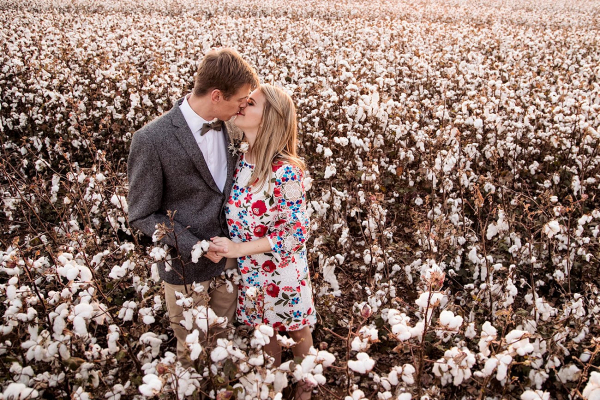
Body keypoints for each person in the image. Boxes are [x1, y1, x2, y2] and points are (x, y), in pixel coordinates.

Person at [127, 48, 259, 369]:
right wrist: (195, 246)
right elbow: (142, 214)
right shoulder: (151, 140)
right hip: (184, 270)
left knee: (222, 345)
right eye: (240, 99)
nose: (244, 105)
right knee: (193, 355)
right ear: (216, 95)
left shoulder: (234, 128)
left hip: (229, 264)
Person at [211, 84, 316, 399]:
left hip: (283, 271)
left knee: (296, 330)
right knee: (263, 330)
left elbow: (295, 231)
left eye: (251, 102)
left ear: (270, 117)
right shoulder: (241, 162)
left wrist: (239, 249)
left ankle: (305, 389)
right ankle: (272, 389)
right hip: (253, 272)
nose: (242, 105)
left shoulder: (286, 173)